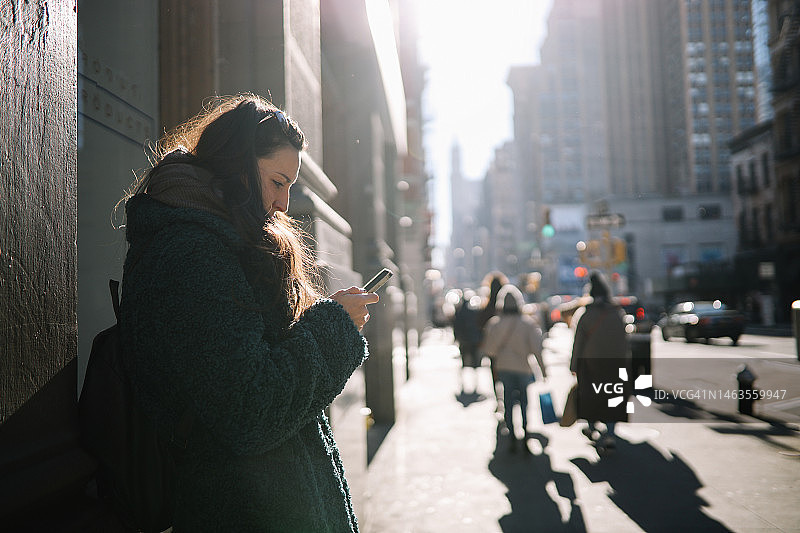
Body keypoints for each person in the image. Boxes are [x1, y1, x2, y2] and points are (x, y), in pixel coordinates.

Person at [118, 93, 378, 532]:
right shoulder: (190, 252)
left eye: (291, 187)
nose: (283, 203)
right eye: (278, 182)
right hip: (240, 508)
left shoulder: (219, 239)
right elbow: (252, 408)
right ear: (236, 165)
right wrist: (334, 328)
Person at [481, 284, 546, 452]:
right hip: (524, 368)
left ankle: (510, 434)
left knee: (508, 401)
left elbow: (489, 350)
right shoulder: (528, 323)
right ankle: (525, 431)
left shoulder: (494, 324)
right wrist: (544, 370)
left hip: (504, 368)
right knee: (524, 402)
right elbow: (537, 349)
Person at [570, 271, 629, 452]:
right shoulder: (617, 313)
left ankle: (592, 427)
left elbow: (578, 343)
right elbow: (624, 341)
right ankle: (610, 434)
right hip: (614, 363)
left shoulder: (585, 315)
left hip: (590, 365)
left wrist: (574, 365)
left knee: (591, 396)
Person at [476, 271, 509, 410]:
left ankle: (499, 401)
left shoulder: (487, 307)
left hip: (493, 349)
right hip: (509, 347)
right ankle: (508, 401)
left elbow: (480, 325)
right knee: (509, 377)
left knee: (496, 376)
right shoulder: (508, 305)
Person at [452, 290, 483, 395]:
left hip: (464, 341)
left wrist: (457, 338)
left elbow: (456, 327)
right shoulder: (473, 312)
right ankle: (475, 384)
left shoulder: (459, 313)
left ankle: (463, 384)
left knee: (463, 363)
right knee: (474, 363)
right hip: (472, 340)